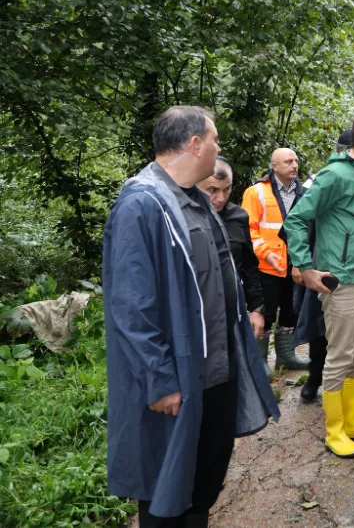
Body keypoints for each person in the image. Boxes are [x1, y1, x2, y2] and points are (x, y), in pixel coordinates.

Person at [103, 106, 279, 526]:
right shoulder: (140, 206)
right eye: (214, 139)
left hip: (215, 376)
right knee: (167, 489)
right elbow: (131, 309)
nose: (218, 147)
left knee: (202, 486)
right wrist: (160, 380)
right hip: (176, 383)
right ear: (195, 144)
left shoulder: (198, 202)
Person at [284, 112, 354, 458]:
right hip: (340, 280)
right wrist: (304, 265)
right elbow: (297, 219)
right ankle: (334, 431)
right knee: (341, 354)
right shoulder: (333, 175)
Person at [241, 148, 308, 372]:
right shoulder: (256, 192)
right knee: (266, 312)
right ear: (274, 166)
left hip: (292, 265)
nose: (294, 165)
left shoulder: (303, 192)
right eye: (288, 162)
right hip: (265, 266)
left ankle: (286, 356)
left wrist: (300, 261)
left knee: (290, 311)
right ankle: (259, 360)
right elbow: (248, 230)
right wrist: (266, 253)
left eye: (296, 161)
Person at [198, 157, 266, 340]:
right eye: (212, 190)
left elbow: (249, 266)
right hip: (195, 311)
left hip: (231, 308)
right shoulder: (182, 216)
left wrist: (256, 309)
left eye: (226, 189)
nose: (220, 198)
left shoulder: (238, 217)